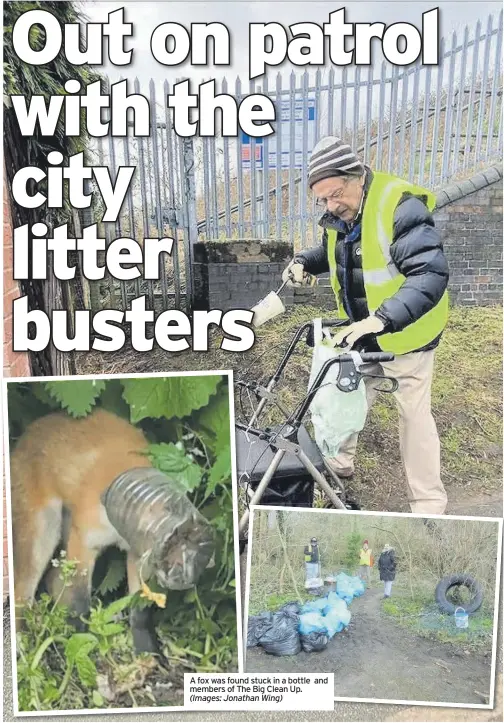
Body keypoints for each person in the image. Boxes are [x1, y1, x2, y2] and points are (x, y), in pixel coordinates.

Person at [282, 135, 449, 515]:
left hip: (409, 334)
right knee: (343, 393)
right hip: (364, 331)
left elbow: (430, 274)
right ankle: (338, 467)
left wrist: (382, 318)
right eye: (322, 199)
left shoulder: (399, 206)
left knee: (414, 417)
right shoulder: (343, 212)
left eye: (336, 193)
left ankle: (428, 507)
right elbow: (338, 252)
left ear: (357, 175)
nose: (330, 204)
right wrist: (305, 261)